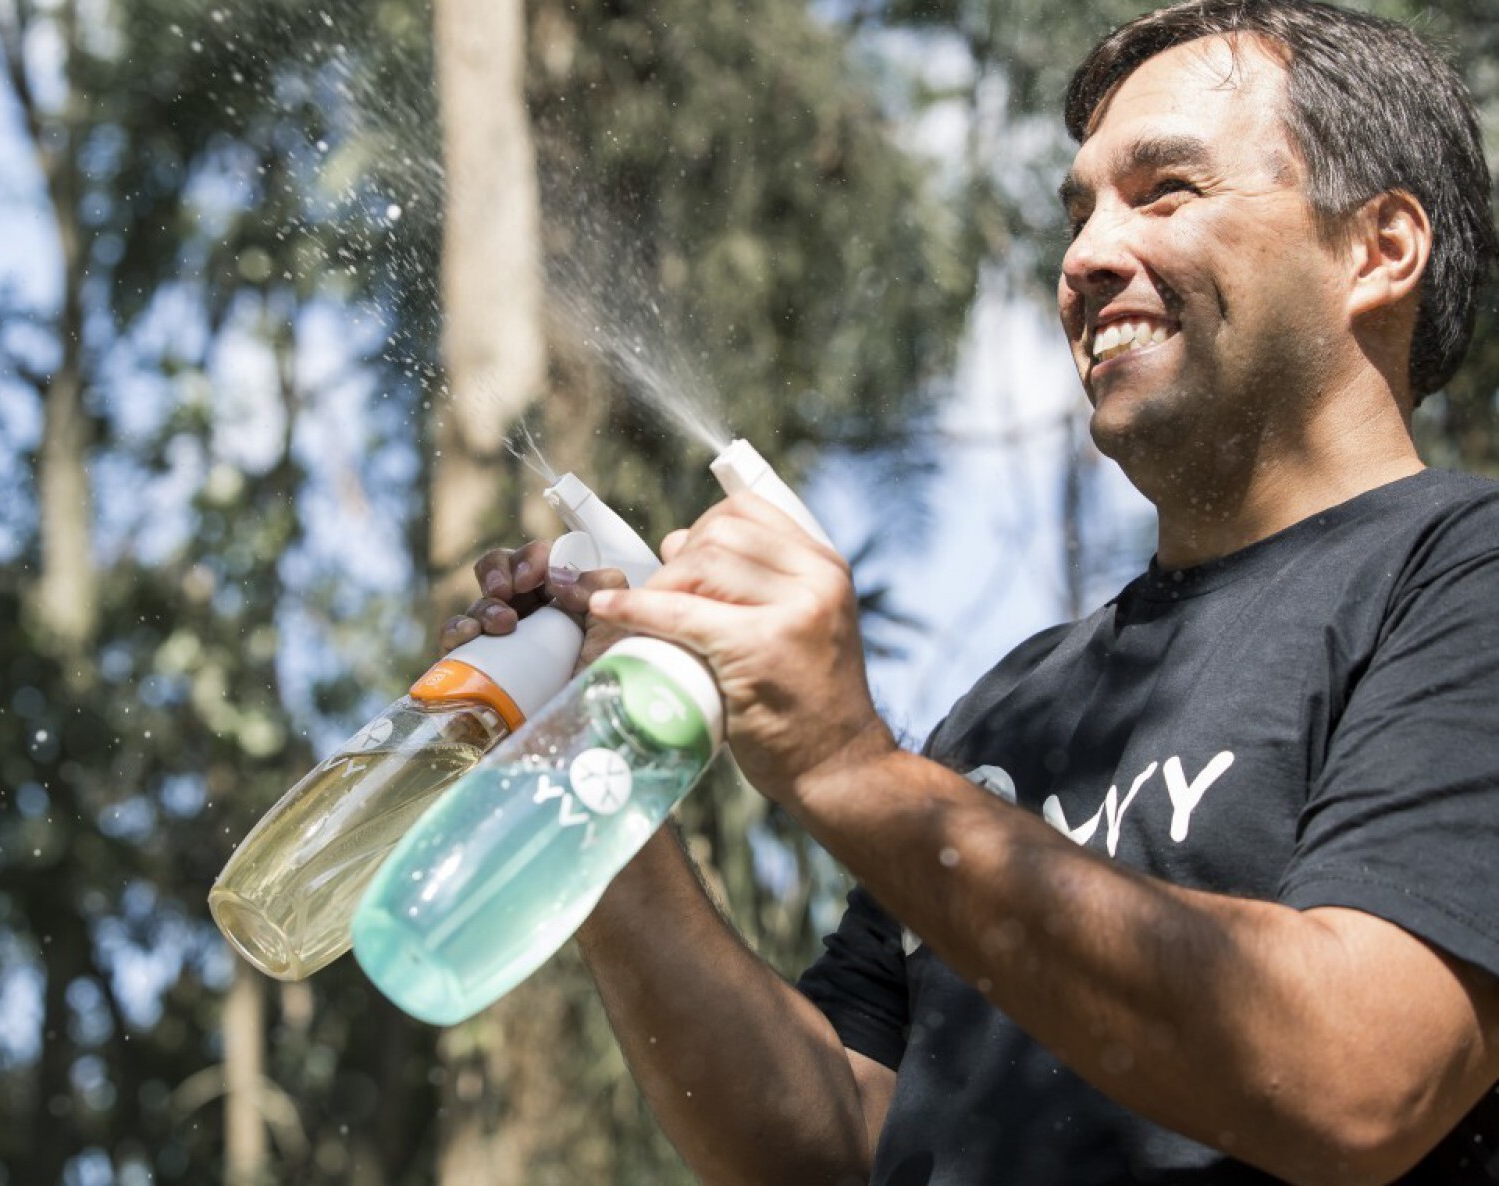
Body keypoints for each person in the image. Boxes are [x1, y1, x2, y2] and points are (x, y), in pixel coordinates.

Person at [441, 0, 1499, 1181]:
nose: (1085, 258)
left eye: (1165, 192)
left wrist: (847, 765)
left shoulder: (1462, 585)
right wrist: (592, 790)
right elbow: (828, 1143)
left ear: (1379, 250)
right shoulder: (1011, 705)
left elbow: (1359, 1074)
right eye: (1078, 209)